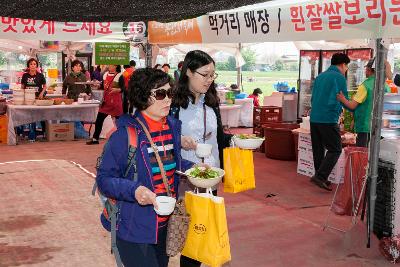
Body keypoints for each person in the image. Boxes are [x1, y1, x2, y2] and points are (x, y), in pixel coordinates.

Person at [96, 68, 195, 267]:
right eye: (160, 94)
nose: (168, 99)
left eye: (170, 93)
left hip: (164, 225)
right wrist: (135, 191)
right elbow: (104, 180)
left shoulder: (172, 128)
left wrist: (193, 168)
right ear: (142, 97)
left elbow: (169, 162)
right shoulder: (125, 135)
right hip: (133, 227)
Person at [169, 50, 232, 267]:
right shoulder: (174, 105)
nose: (209, 80)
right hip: (185, 178)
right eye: (204, 75)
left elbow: (219, 137)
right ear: (188, 71)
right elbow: (160, 138)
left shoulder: (212, 102)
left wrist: (235, 143)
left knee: (205, 231)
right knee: (188, 236)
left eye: (213, 75)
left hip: (209, 177)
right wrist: (178, 139)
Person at [309, 53, 350, 191]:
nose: (346, 70)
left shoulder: (320, 76)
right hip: (328, 118)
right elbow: (344, 98)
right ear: (343, 64)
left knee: (318, 149)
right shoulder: (339, 77)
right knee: (335, 148)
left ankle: (320, 177)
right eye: (346, 67)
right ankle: (320, 176)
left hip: (314, 117)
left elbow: (313, 97)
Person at [337, 58, 391, 147]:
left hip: (365, 127)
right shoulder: (386, 86)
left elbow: (352, 106)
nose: (365, 71)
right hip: (381, 128)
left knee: (362, 154)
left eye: (366, 69)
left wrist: (342, 98)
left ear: (369, 70)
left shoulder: (365, 86)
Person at [87, 65, 123, 145]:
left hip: (115, 102)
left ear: (116, 66)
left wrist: (118, 90)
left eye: (111, 64)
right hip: (106, 102)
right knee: (99, 120)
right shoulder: (105, 74)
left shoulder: (120, 76)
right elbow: (103, 86)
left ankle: (124, 138)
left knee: (120, 122)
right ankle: (95, 139)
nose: (109, 66)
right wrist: (98, 85)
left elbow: (125, 88)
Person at [21, 58, 47, 141]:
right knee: (29, 116)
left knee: (40, 115)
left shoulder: (40, 75)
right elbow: (22, 87)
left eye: (34, 64)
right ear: (28, 66)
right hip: (28, 100)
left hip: (38, 99)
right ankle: (29, 132)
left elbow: (45, 86)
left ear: (36, 66)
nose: (33, 66)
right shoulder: (25, 75)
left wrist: (42, 93)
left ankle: (42, 132)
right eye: (31, 64)